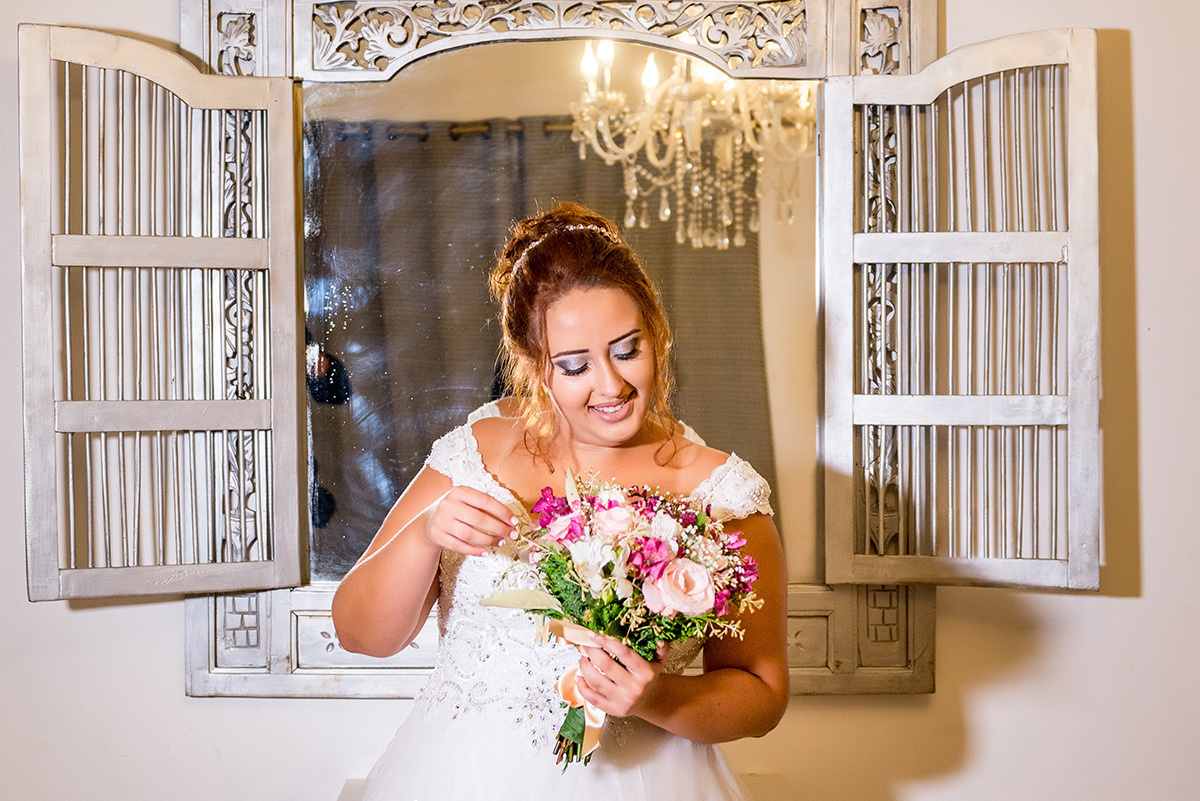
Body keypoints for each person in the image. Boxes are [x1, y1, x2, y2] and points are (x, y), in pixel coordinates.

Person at [332, 202, 789, 801]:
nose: (612, 385)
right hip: (458, 778)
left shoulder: (722, 493)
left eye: (628, 350)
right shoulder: (475, 451)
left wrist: (655, 697)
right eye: (575, 366)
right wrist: (424, 535)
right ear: (532, 366)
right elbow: (362, 635)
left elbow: (761, 694)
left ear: (657, 333)